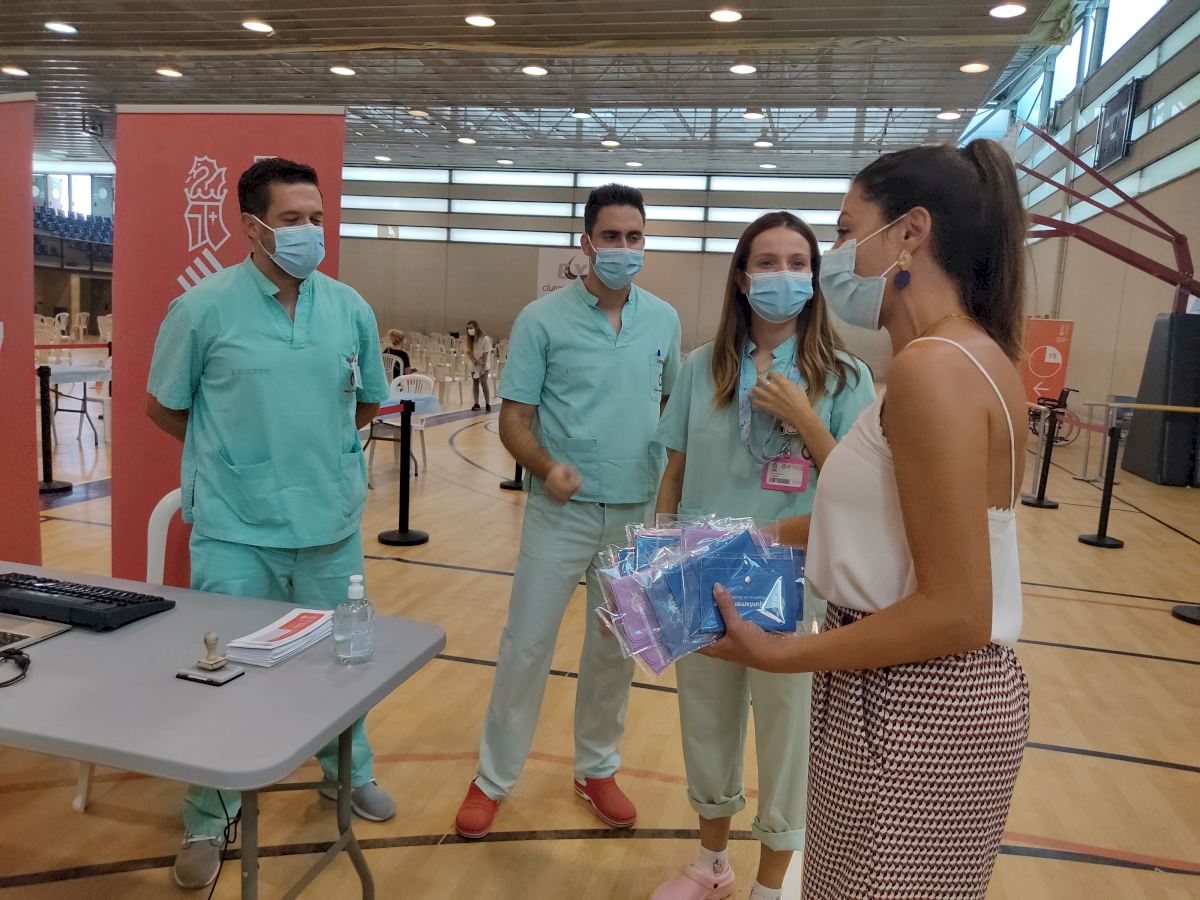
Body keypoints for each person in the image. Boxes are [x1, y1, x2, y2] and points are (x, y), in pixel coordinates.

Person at [701, 140, 1030, 900]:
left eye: (847, 232)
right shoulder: (964, 356)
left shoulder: (932, 369)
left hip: (913, 700)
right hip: (912, 693)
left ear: (910, 232)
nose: (836, 257)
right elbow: (899, 524)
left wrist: (779, 654)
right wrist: (754, 538)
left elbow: (957, 609)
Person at [145, 157, 391, 891]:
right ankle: (207, 813)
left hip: (328, 523)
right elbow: (164, 405)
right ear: (251, 227)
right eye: (292, 219)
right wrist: (237, 457)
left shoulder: (349, 308)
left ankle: (347, 774)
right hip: (236, 528)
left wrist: (316, 453)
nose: (309, 231)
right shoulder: (202, 309)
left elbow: (366, 401)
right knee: (224, 675)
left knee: (343, 662)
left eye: (316, 218)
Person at [650, 212, 875, 900]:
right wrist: (656, 565)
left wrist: (805, 417)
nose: (783, 276)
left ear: (814, 278)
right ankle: (710, 862)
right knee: (706, 720)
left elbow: (860, 491)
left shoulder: (846, 377)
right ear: (743, 279)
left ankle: (772, 884)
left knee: (786, 733)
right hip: (702, 566)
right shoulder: (702, 366)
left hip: (792, 577)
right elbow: (674, 471)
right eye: (767, 263)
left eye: (797, 263)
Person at [454, 184, 682, 839]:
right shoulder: (541, 320)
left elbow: (671, 409)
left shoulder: (664, 320)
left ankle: (597, 768)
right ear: (586, 243)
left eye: (634, 237)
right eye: (611, 237)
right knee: (526, 646)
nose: (623, 248)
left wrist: (670, 505)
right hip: (561, 514)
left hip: (632, 513)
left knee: (615, 649)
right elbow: (514, 419)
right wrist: (544, 466)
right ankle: (493, 777)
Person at [465, 319, 493, 411]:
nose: (470, 330)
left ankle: (487, 403)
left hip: (484, 364)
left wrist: (482, 368)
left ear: (476, 328)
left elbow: (485, 354)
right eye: (468, 328)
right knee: (475, 383)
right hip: (474, 364)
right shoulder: (469, 339)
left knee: (483, 382)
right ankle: (476, 403)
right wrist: (475, 362)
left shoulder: (485, 339)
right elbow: (469, 353)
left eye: (471, 328)